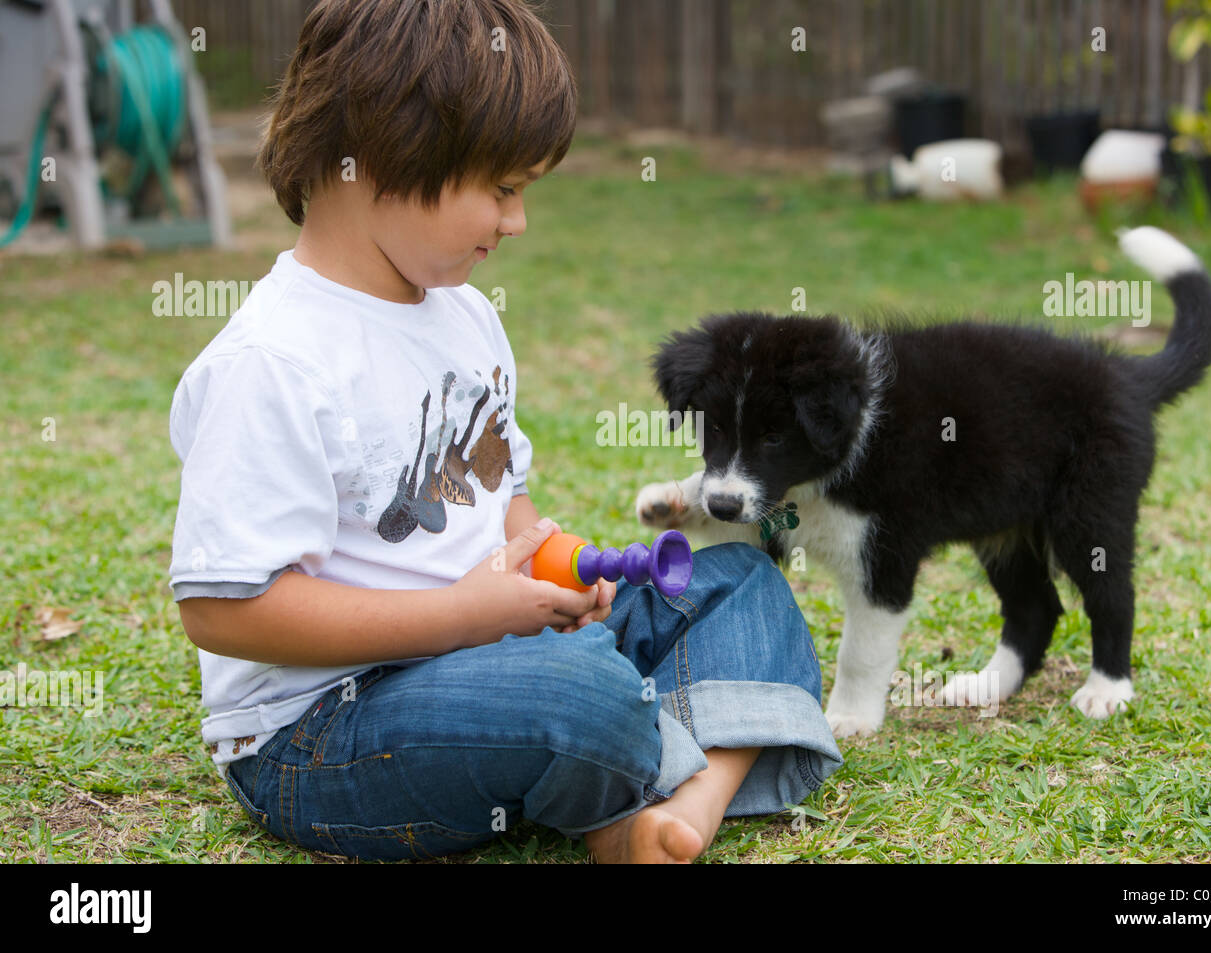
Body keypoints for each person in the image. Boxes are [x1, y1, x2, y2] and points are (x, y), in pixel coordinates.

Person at [167, 0, 841, 863]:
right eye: (503, 189)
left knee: (743, 580)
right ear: (380, 153)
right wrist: (461, 616)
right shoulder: (274, 360)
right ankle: (643, 764)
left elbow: (504, 503)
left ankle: (675, 809)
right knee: (575, 690)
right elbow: (226, 610)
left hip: (497, 647)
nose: (517, 223)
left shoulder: (468, 317)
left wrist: (552, 565)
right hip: (328, 729)